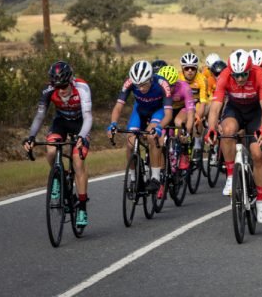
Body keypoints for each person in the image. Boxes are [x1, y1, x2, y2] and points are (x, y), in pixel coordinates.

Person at [206, 49, 262, 223]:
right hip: (235, 110)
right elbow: (215, 108)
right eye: (237, 75)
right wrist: (211, 128)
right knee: (227, 131)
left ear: (249, 70)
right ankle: (230, 176)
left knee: (257, 153)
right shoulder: (225, 75)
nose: (240, 78)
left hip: (255, 112)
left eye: (244, 74)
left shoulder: (259, 74)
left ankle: (261, 200)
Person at [24, 61, 93, 228]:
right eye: (57, 87)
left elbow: (88, 117)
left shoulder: (82, 88)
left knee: (78, 163)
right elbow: (40, 116)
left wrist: (82, 136)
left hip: (80, 123)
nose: (61, 90)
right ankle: (59, 176)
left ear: (70, 80)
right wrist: (31, 137)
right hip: (61, 122)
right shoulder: (48, 90)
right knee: (51, 151)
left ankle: (82, 207)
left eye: (64, 85)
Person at [108, 60, 173, 201]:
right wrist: (113, 123)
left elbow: (168, 114)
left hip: (158, 111)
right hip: (139, 111)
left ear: (150, 78)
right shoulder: (129, 82)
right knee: (130, 142)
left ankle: (155, 177)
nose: (141, 88)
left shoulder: (162, 84)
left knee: (151, 136)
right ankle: (133, 178)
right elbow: (118, 106)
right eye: (137, 85)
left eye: (143, 84)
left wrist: (159, 127)